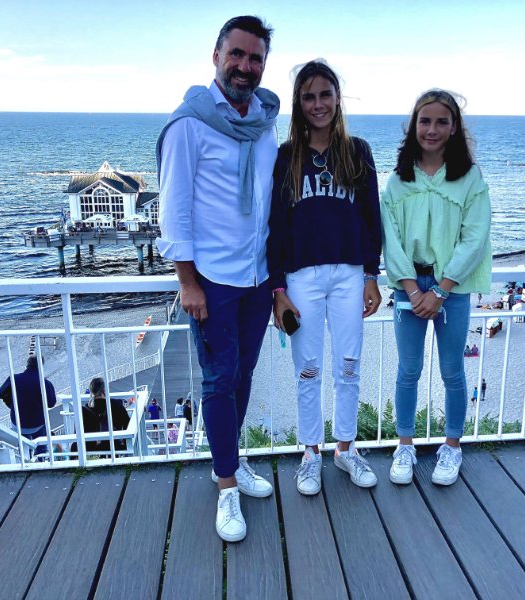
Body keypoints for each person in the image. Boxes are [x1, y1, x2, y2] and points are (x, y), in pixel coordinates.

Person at [155, 15, 278, 543]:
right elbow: (174, 210)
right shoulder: (190, 124)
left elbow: (271, 201)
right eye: (237, 55)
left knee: (244, 372)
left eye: (255, 58)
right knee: (217, 378)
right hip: (213, 280)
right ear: (216, 56)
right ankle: (226, 486)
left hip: (257, 276)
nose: (245, 67)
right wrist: (187, 282)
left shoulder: (267, 123)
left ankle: (228, 459)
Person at [267, 59, 382, 496]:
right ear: (299, 103)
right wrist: (277, 288)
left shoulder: (358, 151)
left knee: (349, 366)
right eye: (309, 96)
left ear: (337, 98)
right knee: (308, 370)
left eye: (325, 94)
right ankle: (311, 453)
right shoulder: (286, 156)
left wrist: (372, 274)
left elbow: (371, 217)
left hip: (350, 273)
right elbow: (276, 226)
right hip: (302, 278)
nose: (318, 104)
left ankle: (346, 449)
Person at [381, 89, 492, 487]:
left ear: (454, 127)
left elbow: (474, 238)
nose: (432, 129)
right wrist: (413, 290)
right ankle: (404, 445)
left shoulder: (469, 179)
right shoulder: (398, 181)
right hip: (408, 286)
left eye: (441, 121)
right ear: (413, 126)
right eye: (424, 121)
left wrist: (441, 290)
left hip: (452, 288)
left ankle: (452, 446)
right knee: (408, 370)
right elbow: (390, 240)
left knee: (452, 370)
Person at [0, 355, 56, 458]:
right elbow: (51, 403)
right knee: (42, 440)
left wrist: (11, 403)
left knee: (23, 444)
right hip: (37, 423)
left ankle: (25, 458)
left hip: (18, 422)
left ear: (27, 364)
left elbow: (0, 393)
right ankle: (41, 457)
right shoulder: (45, 383)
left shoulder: (14, 378)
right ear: (41, 366)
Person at [88, 377, 129, 451]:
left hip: (94, 450)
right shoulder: (116, 404)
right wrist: (125, 446)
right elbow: (127, 425)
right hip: (115, 447)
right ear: (104, 390)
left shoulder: (87, 408)